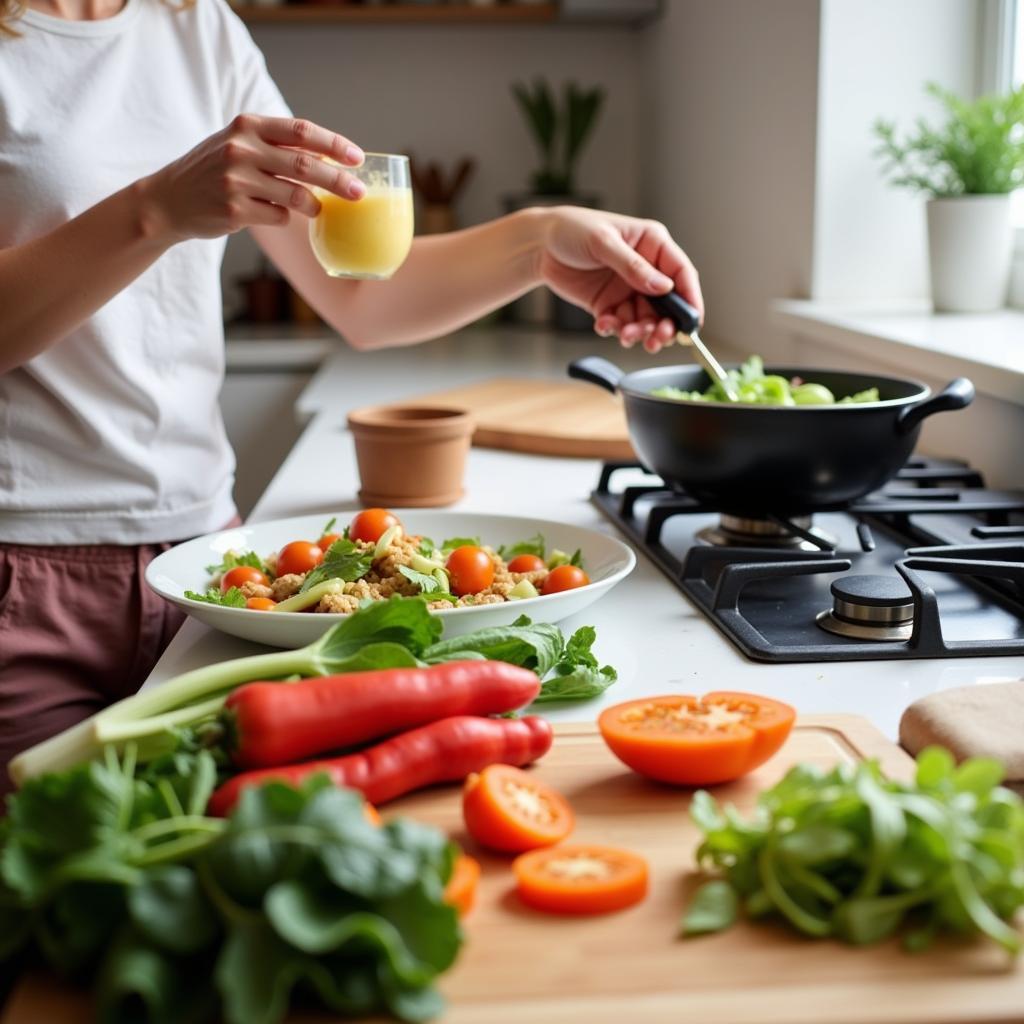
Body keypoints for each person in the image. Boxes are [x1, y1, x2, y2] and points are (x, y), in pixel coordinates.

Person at [0, 0, 704, 793]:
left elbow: (360, 292)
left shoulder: (199, 29)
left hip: (211, 572)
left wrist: (541, 241)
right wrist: (155, 210)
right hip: (21, 577)